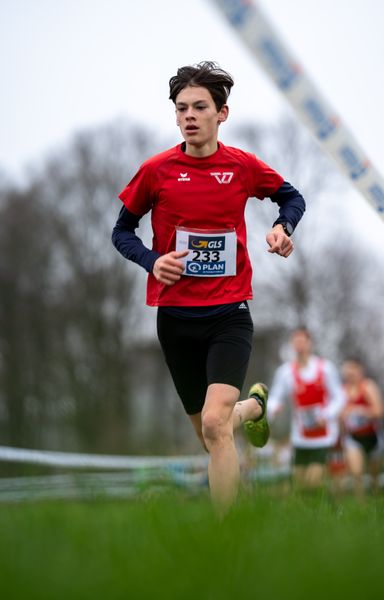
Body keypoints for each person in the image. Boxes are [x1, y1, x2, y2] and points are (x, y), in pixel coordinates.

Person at [112, 61, 305, 514]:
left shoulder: (241, 166)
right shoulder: (156, 171)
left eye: (200, 107)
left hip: (229, 315)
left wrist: (283, 227)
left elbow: (291, 197)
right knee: (211, 432)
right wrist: (151, 260)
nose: (189, 117)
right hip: (175, 319)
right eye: (182, 109)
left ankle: (226, 537)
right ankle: (253, 409)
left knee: (217, 424)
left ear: (223, 114)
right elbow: (121, 232)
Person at [268, 327, 345, 490]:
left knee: (313, 481)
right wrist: (273, 409)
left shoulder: (325, 368)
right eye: (296, 341)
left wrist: (327, 414)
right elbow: (275, 396)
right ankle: (317, 510)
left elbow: (340, 397)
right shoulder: (285, 372)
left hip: (324, 435)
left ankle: (328, 509)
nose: (299, 345)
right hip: (300, 436)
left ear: (310, 343)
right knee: (300, 483)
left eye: (303, 341)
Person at [340, 358, 383, 497]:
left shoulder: (368, 386)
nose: (350, 373)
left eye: (353, 369)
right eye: (347, 370)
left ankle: (376, 502)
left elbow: (379, 411)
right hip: (353, 437)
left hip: (372, 436)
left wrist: (360, 411)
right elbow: (338, 414)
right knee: (356, 473)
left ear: (360, 370)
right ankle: (361, 507)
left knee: (374, 476)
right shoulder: (342, 391)